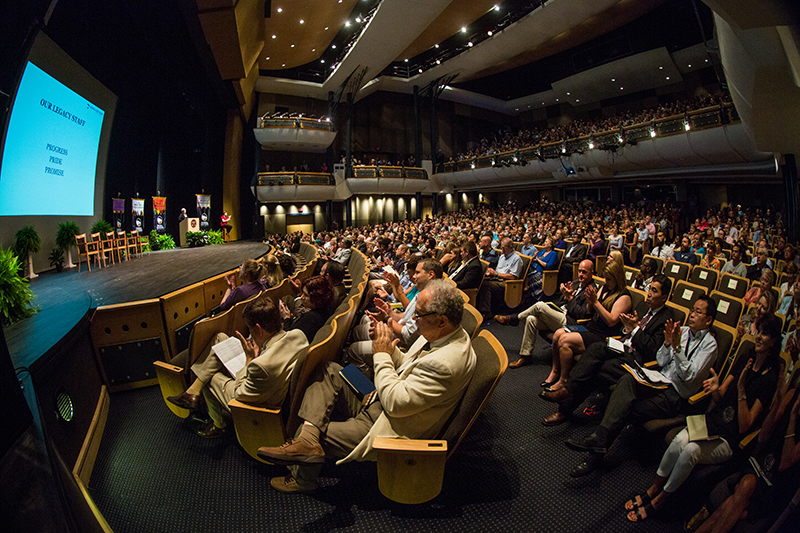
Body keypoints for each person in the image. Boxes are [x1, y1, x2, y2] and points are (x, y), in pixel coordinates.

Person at [257, 281, 476, 494]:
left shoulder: (445, 363)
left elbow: (394, 404)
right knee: (328, 369)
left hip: (388, 424)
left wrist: (381, 354)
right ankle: (307, 441)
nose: (414, 320)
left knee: (309, 427)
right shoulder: (442, 334)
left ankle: (302, 478)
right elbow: (409, 364)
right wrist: (389, 347)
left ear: (442, 321)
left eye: (419, 315)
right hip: (378, 400)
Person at [624, 314, 782, 522]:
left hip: (730, 437)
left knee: (690, 451)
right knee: (679, 439)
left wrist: (742, 389)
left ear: (773, 342)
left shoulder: (769, 378)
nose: (759, 337)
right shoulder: (746, 359)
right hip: (714, 420)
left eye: (765, 334)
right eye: (758, 331)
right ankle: (653, 488)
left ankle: (660, 500)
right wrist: (716, 388)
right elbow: (720, 395)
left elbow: (745, 425)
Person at [563, 295, 718, 477]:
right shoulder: (681, 332)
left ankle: (595, 452)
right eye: (692, 310)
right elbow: (660, 360)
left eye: (698, 312)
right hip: (658, 380)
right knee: (627, 380)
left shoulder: (710, 345)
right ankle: (599, 438)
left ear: (708, 320)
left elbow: (689, 377)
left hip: (675, 395)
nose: (692, 314)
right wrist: (667, 345)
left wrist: (676, 348)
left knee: (626, 405)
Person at [166, 296, 308, 437]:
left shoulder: (260, 366)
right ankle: (193, 391)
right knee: (220, 338)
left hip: (252, 402)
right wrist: (260, 352)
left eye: (249, 328)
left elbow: (238, 393)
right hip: (267, 373)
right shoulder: (298, 335)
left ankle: (218, 425)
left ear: (258, 329)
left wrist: (249, 360)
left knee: (208, 376)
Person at [541, 274, 675, 424]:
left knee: (595, 367)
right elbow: (625, 330)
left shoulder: (667, 318)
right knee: (596, 348)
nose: (649, 294)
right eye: (649, 289)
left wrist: (635, 329)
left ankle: (565, 405)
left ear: (663, 297)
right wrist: (627, 328)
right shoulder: (643, 306)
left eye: (654, 291)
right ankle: (567, 392)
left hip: (637, 360)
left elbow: (652, 351)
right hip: (622, 346)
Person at [543, 260, 631, 392]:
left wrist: (595, 302)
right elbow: (590, 310)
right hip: (589, 327)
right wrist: (587, 301)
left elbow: (611, 320)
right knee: (558, 334)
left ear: (617, 278)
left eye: (609, 279)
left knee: (565, 341)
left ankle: (563, 380)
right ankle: (555, 371)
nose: (606, 282)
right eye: (605, 278)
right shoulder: (605, 288)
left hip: (603, 336)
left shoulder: (624, 296)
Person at [346, 258, 442, 379]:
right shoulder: (421, 292)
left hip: (401, 342)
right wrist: (390, 313)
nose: (414, 277)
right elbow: (406, 316)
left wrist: (386, 319)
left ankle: (369, 388)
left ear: (431, 275)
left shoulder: (430, 300)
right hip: (398, 330)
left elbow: (407, 336)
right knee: (361, 325)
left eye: (417, 273)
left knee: (354, 350)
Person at [501, 259, 596, 369]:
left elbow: (581, 314)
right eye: (579, 271)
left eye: (584, 272)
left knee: (539, 306)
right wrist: (565, 295)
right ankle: (525, 356)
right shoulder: (575, 283)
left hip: (571, 322)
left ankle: (514, 318)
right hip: (560, 313)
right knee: (531, 319)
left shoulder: (591, 291)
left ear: (592, 272)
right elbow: (561, 301)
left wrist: (570, 298)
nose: (580, 274)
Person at [477, 237, 523, 320]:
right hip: (497, 278)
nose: (502, 250)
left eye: (504, 248)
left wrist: (496, 274)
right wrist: (491, 271)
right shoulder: (502, 257)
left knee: (486, 285)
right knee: (481, 280)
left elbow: (512, 276)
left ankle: (487, 312)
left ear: (510, 247)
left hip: (508, 283)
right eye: (501, 247)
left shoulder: (516, 259)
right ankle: (478, 307)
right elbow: (498, 270)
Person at [280, 275, 335, 343]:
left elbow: (288, 341)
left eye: (305, 295)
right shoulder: (327, 309)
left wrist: (286, 318)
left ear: (316, 298)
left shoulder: (310, 318)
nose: (302, 297)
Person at [528, 236, 559, 302]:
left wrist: (538, 260)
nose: (544, 243)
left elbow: (548, 266)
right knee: (525, 271)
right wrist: (534, 256)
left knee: (527, 275)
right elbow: (533, 260)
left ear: (551, 244)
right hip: (533, 269)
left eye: (546, 242)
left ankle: (530, 295)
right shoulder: (542, 252)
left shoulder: (553, 254)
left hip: (543, 274)